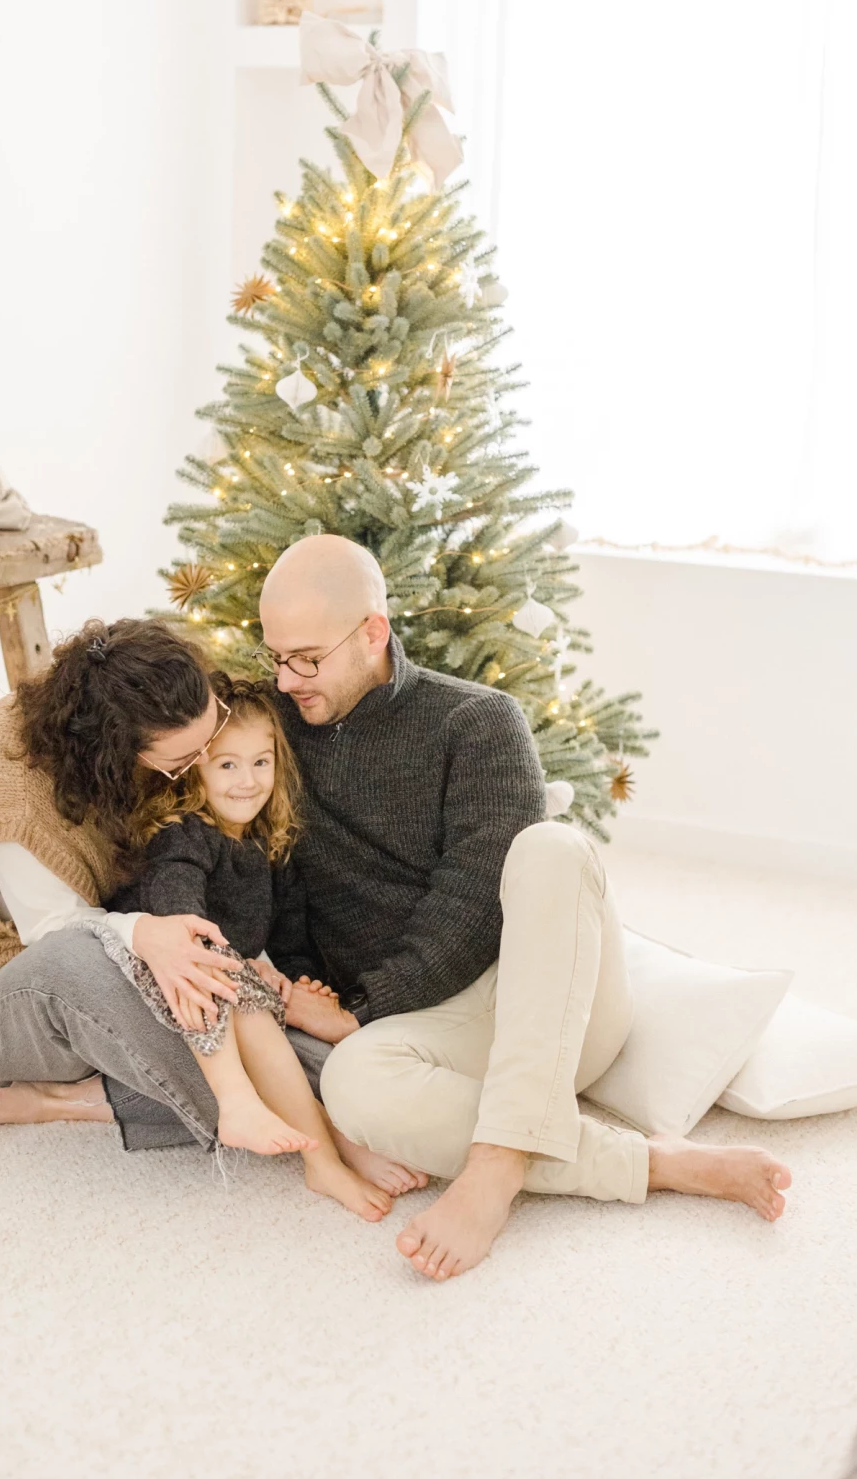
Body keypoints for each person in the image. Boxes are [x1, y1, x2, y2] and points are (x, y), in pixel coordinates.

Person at [255, 534, 793, 1282]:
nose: (286, 680)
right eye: (272, 656)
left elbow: (476, 898)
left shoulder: (478, 721)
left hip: (547, 997)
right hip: (433, 1032)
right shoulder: (268, 734)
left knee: (551, 848)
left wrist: (366, 1005)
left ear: (372, 631)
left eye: (306, 659)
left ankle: (497, 1167)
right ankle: (658, 1164)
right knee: (352, 1083)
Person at [0, 616, 421, 1200]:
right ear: (118, 756)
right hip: (24, 997)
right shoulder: (10, 762)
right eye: (186, 763)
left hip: (135, 988)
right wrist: (148, 935)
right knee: (153, 977)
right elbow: (50, 932)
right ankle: (329, 1129)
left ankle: (81, 1103)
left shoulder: (162, 691)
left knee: (250, 1008)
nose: (208, 768)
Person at [88, 672, 391, 1220]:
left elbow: (287, 937)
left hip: (222, 989)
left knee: (298, 1034)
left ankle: (332, 1137)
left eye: (261, 761)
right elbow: (180, 916)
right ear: (193, 769)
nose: (248, 781)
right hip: (157, 978)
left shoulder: (268, 844)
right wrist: (244, 966)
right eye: (227, 764)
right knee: (230, 979)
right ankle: (316, 1155)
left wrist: (293, 979)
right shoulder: (182, 833)